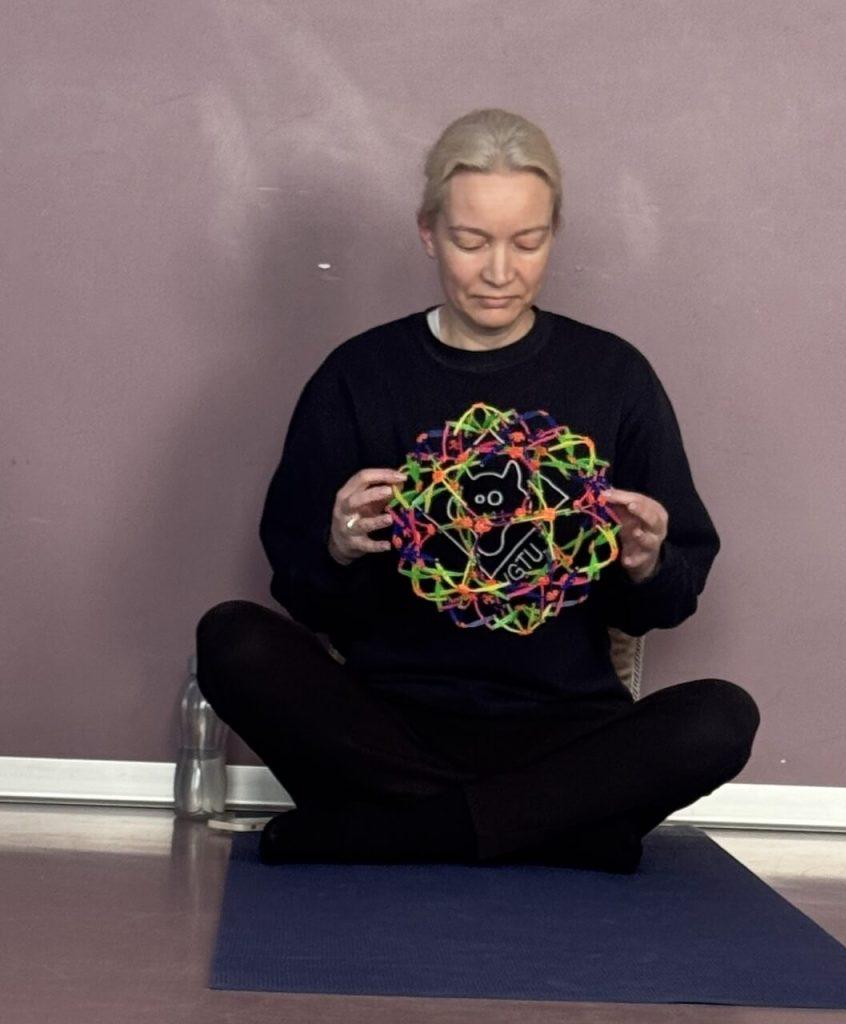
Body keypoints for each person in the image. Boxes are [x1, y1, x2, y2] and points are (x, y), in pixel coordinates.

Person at [195, 108, 760, 873]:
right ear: (428, 233)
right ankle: (547, 829)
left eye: (527, 242)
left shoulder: (615, 377)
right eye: (472, 241)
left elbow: (669, 599)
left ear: (554, 234)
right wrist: (335, 550)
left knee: (722, 717)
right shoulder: (358, 376)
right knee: (229, 637)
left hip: (564, 730)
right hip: (391, 726)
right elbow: (304, 596)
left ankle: (396, 833)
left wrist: (648, 563)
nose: (500, 271)